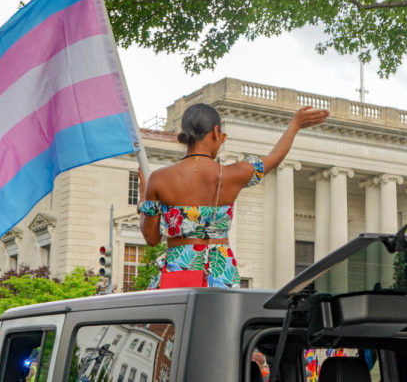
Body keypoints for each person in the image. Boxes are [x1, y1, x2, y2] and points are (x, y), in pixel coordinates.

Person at [137, 103, 329, 288]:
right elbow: (274, 158)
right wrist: (295, 125)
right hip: (220, 272)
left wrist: (144, 200)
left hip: (178, 272)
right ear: (215, 132)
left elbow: (152, 239)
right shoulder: (233, 174)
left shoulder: (158, 179)